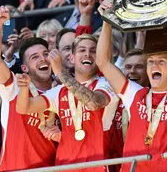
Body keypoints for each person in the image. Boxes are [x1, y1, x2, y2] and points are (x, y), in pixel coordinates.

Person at [95, 0, 167, 171]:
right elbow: (103, 62)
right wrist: (106, 22)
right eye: (151, 61)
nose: (154, 65)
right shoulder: (134, 94)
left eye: (161, 61)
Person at [16, 34, 118, 172]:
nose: (88, 54)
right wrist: (23, 88)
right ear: (71, 58)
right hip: (64, 166)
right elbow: (24, 108)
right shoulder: (59, 91)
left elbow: (93, 103)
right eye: (82, 50)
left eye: (93, 51)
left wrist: (59, 72)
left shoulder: (106, 84)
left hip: (97, 166)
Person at [0, 6, 58, 171]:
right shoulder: (15, 87)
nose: (43, 60)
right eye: (35, 57)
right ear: (24, 68)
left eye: (45, 54)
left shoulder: (62, 90)